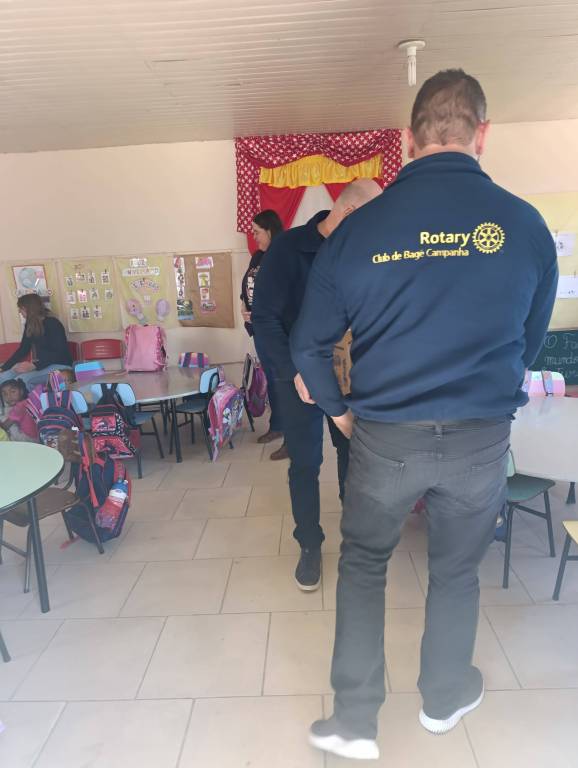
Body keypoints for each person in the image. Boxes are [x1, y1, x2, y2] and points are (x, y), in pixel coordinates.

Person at [291, 69, 558, 760]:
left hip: (385, 437)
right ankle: (443, 700)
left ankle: (354, 721)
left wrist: (340, 414)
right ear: (482, 134)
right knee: (456, 570)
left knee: (362, 564)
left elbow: (308, 345)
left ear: (407, 140)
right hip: (479, 440)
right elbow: (526, 345)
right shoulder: (526, 227)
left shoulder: (359, 230)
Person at [252, 179, 381, 591]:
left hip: (349, 377)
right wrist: (295, 371)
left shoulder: (363, 250)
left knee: (353, 456)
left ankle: (354, 540)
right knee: (305, 463)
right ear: (350, 213)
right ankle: (309, 544)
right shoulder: (288, 249)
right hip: (299, 378)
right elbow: (264, 319)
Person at [241, 209, 287, 460]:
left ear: (269, 231)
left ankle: (292, 437)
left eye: (257, 232)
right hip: (260, 330)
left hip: (279, 332)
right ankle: (277, 426)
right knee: (272, 380)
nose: (254, 236)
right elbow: (247, 288)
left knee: (285, 382)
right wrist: (244, 308)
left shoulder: (284, 254)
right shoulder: (258, 257)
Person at [0, 294, 73, 389]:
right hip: (40, 365)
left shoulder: (53, 323)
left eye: (21, 308)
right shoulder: (30, 325)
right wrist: (4, 368)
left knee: (21, 381)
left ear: (29, 308)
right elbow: (23, 349)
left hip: (60, 365)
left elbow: (59, 352)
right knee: (3, 377)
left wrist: (34, 365)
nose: (19, 311)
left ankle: (31, 399)